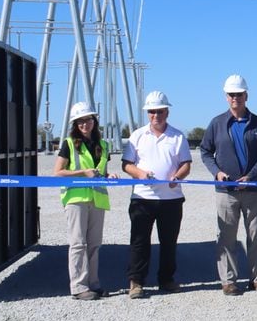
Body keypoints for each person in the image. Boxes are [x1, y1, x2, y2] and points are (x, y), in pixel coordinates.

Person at [199, 74, 257, 296]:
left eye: (239, 94)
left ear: (246, 96)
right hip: (226, 191)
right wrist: (217, 172)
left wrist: (251, 175)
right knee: (227, 235)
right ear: (226, 96)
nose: (235, 98)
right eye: (231, 94)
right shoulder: (217, 124)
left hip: (253, 189)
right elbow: (205, 151)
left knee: (255, 234)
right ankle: (228, 280)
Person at [121, 91, 193, 299]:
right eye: (152, 112)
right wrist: (140, 174)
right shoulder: (137, 136)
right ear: (147, 113)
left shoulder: (178, 136)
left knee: (169, 241)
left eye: (159, 111)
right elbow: (127, 164)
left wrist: (177, 177)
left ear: (166, 112)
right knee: (139, 241)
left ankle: (167, 279)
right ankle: (136, 282)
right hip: (142, 198)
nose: (156, 116)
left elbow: (186, 164)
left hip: (171, 200)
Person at [53, 102, 118, 300]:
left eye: (88, 120)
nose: (85, 124)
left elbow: (101, 172)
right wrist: (83, 173)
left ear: (94, 121)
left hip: (97, 199)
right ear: (75, 124)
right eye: (80, 121)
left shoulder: (103, 145)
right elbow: (57, 173)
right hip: (76, 199)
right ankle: (79, 287)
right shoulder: (70, 144)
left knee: (94, 244)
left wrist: (110, 176)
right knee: (78, 243)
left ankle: (93, 283)